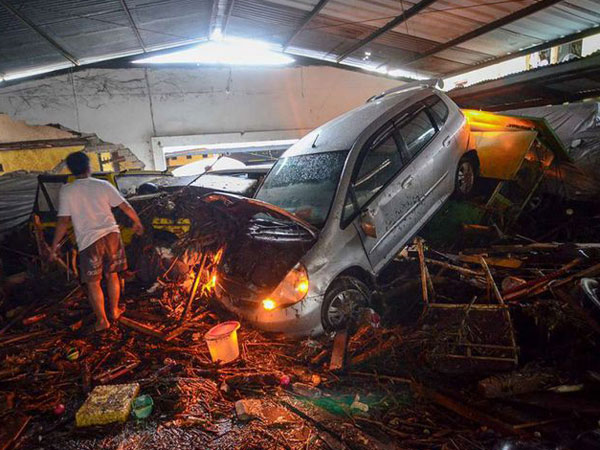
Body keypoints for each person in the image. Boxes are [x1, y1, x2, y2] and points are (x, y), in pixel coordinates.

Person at [50, 152, 144, 331]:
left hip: (89, 241)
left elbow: (63, 221)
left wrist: (55, 245)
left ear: (70, 170)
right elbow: (125, 206)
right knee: (112, 275)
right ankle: (114, 310)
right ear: (89, 167)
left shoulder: (67, 190)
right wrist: (137, 221)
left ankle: (102, 320)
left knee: (93, 282)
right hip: (112, 236)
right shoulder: (103, 185)